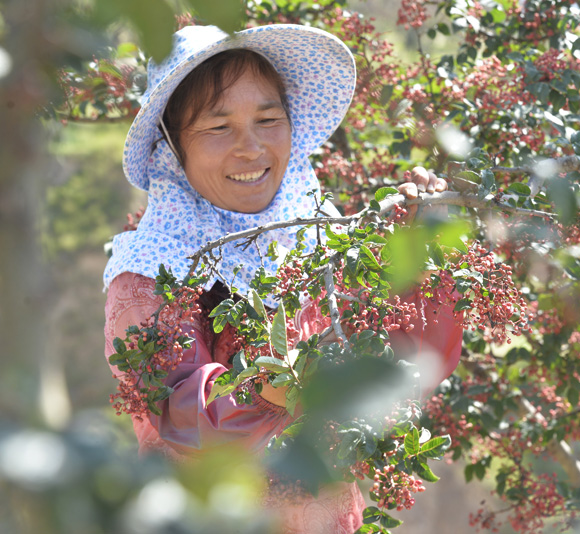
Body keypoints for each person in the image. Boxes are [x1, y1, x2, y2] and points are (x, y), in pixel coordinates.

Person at [103, 24, 462, 533]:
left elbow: (409, 360)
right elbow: (187, 418)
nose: (250, 147)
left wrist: (420, 249)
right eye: (217, 127)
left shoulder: (319, 244)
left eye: (268, 119)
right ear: (172, 149)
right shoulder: (150, 276)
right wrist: (281, 388)